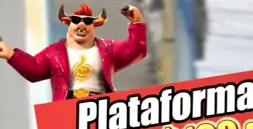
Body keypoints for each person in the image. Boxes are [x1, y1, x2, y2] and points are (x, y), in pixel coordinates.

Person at [0, 4, 147, 101]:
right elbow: (34, 70)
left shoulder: (109, 48)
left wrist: (137, 23)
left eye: (88, 22)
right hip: (67, 109)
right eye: (76, 20)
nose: (82, 24)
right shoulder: (54, 52)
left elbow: (135, 50)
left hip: (102, 108)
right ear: (68, 24)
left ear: (94, 26)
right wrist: (11, 55)